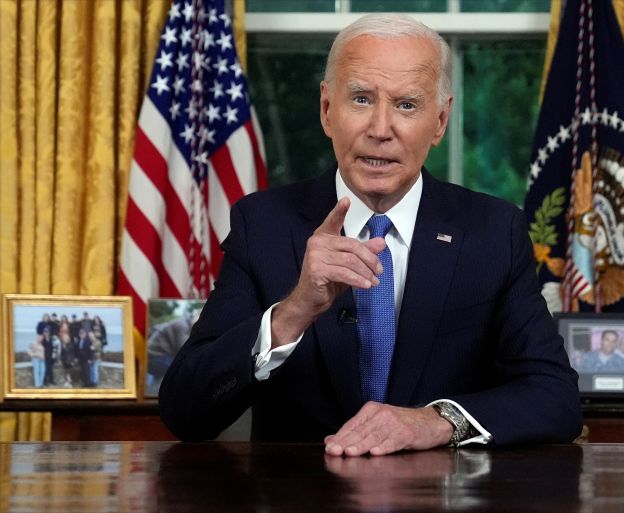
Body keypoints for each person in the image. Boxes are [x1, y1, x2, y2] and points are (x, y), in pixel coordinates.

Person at [159, 13, 582, 454]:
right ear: (327, 110)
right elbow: (185, 412)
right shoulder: (263, 224)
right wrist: (295, 310)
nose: (380, 130)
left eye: (406, 105)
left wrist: (436, 421)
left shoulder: (494, 231)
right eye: (361, 99)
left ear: (440, 121)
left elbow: (556, 398)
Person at [146, 306, 202, 396]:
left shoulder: (187, 324)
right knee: (182, 370)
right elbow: (184, 351)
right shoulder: (181, 326)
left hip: (161, 357)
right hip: (154, 357)